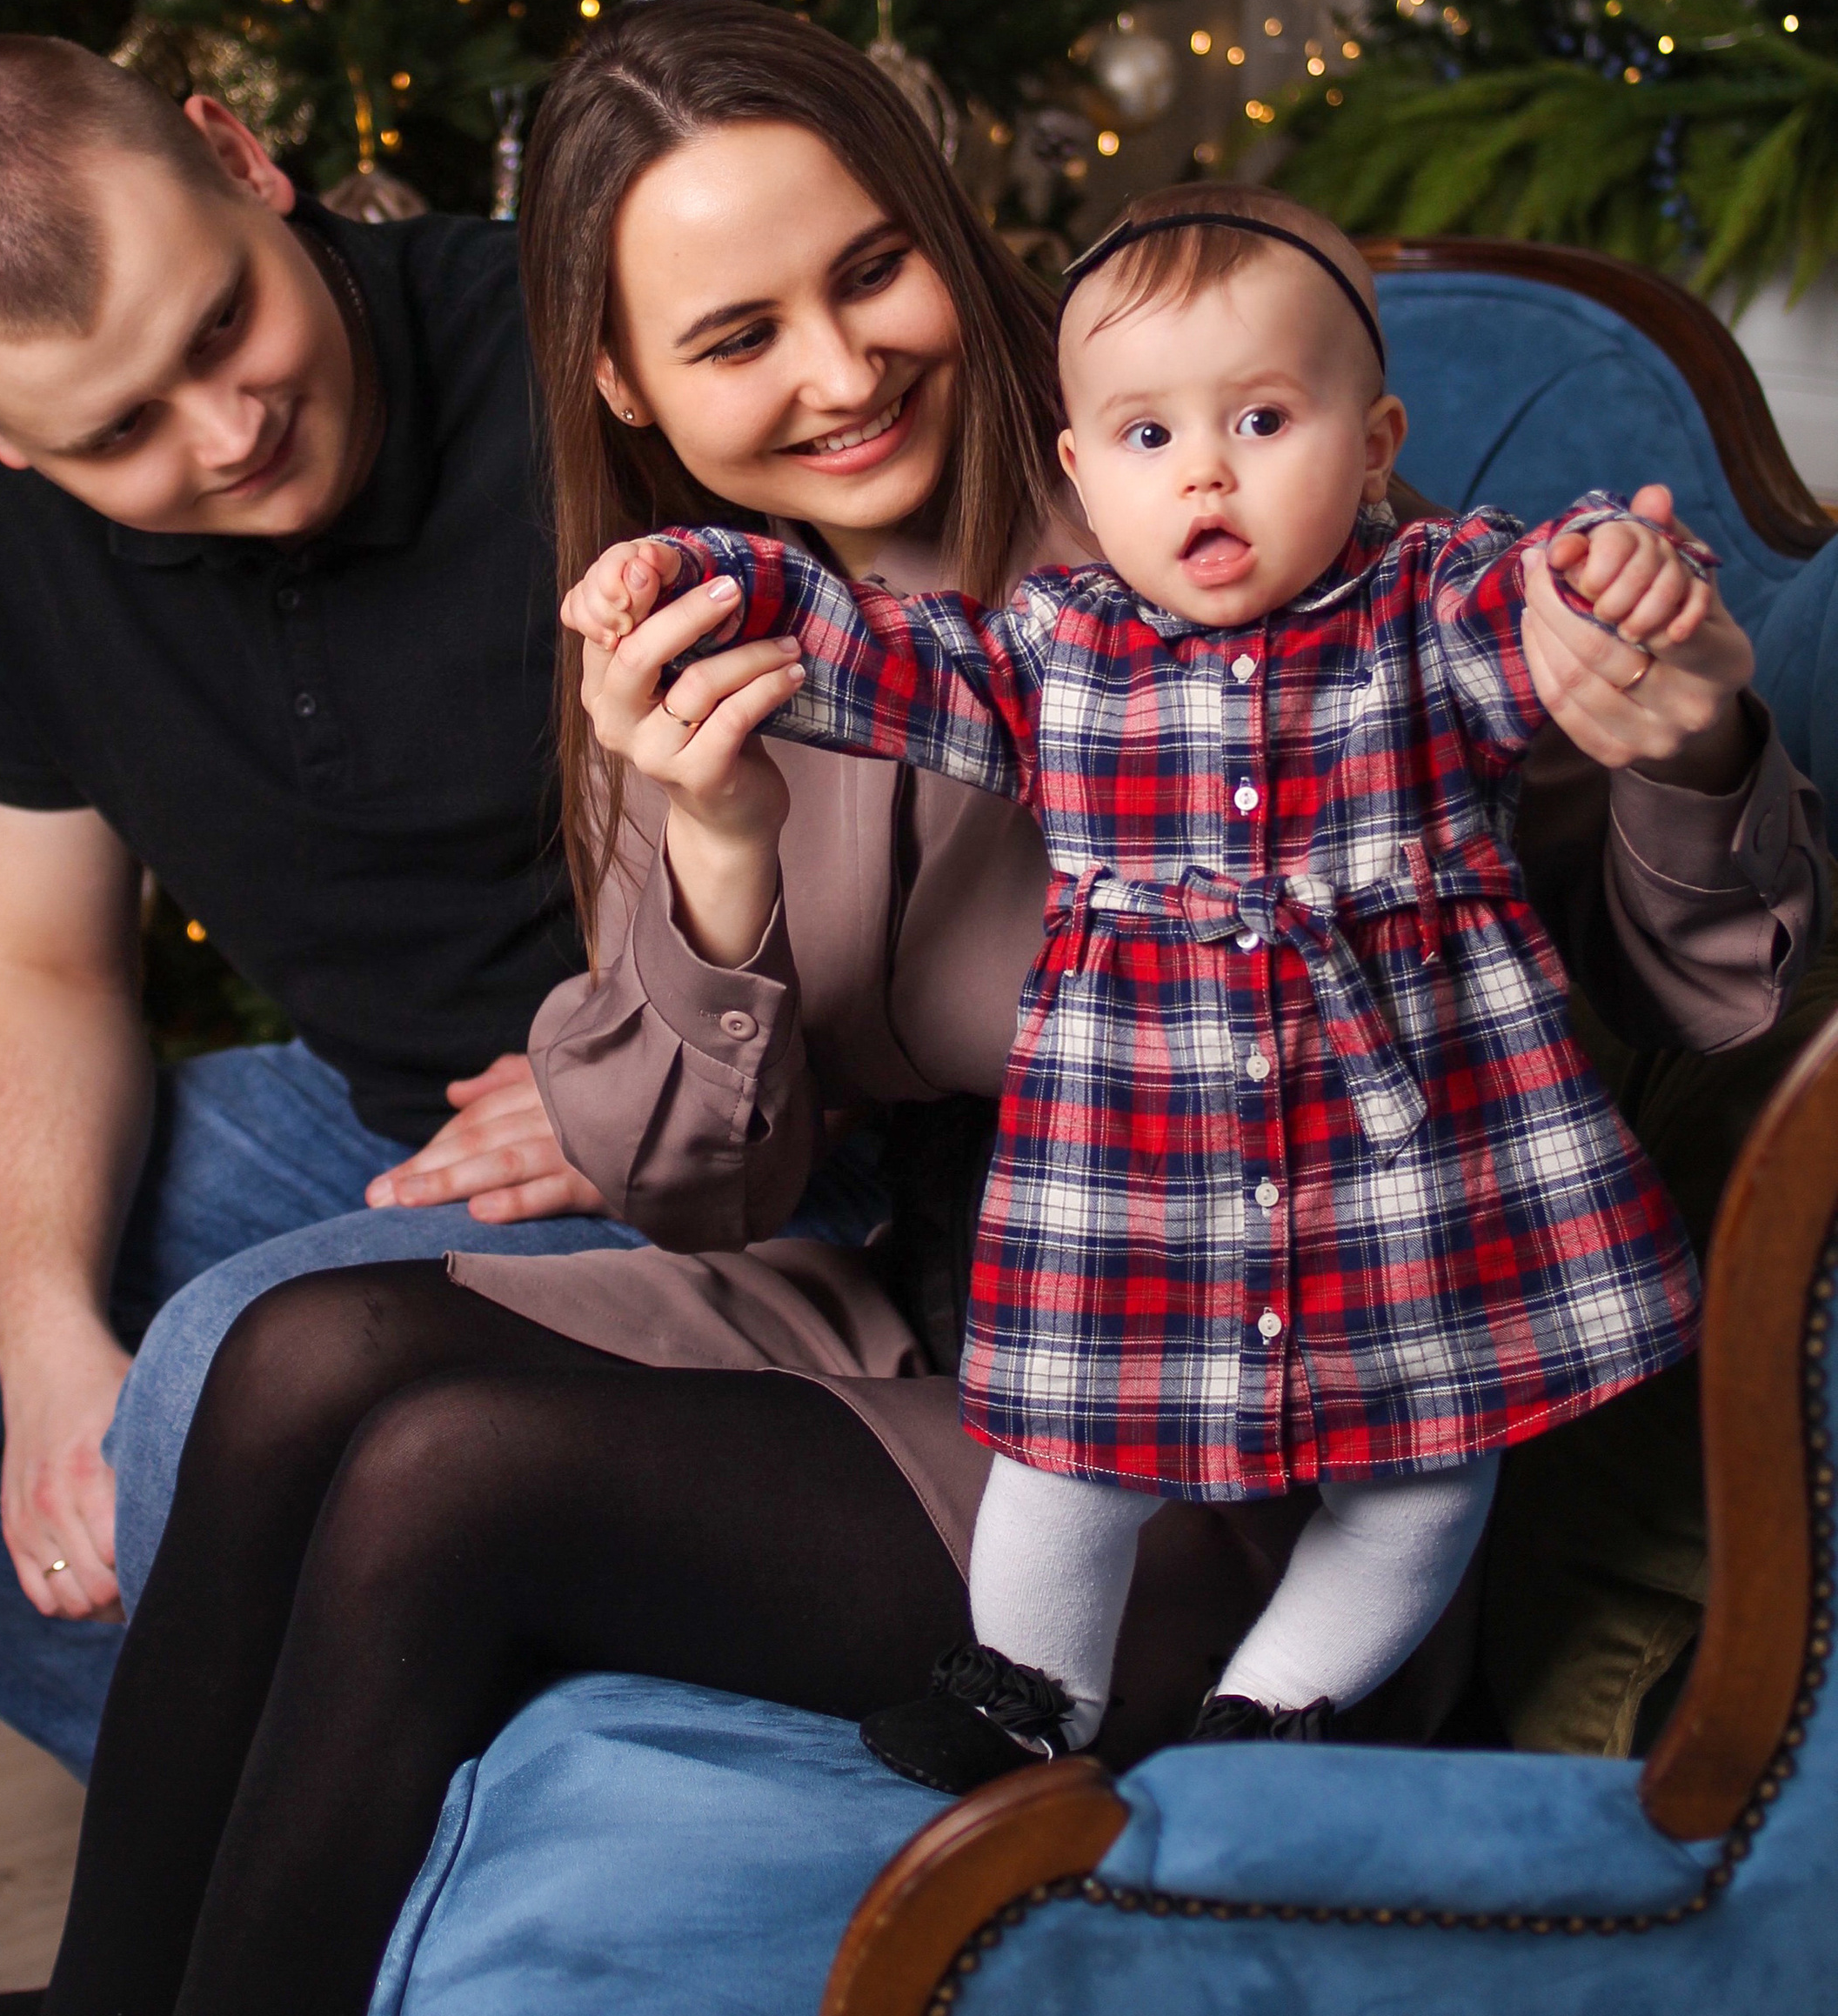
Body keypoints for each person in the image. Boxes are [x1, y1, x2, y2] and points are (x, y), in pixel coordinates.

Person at [0, 10, 1822, 2016]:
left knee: (446, 1479)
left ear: (947, 230)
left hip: (1227, 1437)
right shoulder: (706, 625)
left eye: (869, 269)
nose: (835, 368)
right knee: (298, 1356)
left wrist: (1692, 746)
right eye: (732, 336)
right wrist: (707, 874)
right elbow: (698, 1188)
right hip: (908, 1318)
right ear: (621, 380)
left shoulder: (1200, 504)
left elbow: (1691, 995)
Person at [564, 191, 1737, 1792]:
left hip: (1411, 1168)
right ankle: (1027, 1684)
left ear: (1374, 444)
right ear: (1080, 470)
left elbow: (1550, 599)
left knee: (1428, 1472)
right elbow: (868, 651)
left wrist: (1616, 577)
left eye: (1262, 420)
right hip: (1141, 1170)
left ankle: (1278, 1707)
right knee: (1063, 1455)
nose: (1205, 474)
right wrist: (703, 578)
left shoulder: (1429, 614)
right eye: (1146, 436)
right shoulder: (1056, 655)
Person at [0, 37, 665, 1782]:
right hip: (376, 1126)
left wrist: (657, 1076)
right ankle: (282, 1835)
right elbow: (34, 961)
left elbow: (941, 794)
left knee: (216, 1369)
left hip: (729, 1127)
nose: (226, 430)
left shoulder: (591, 348)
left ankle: (341, 1844)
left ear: (239, 157)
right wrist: (45, 1339)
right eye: (116, 430)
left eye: (219, 326)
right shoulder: (7, 524)